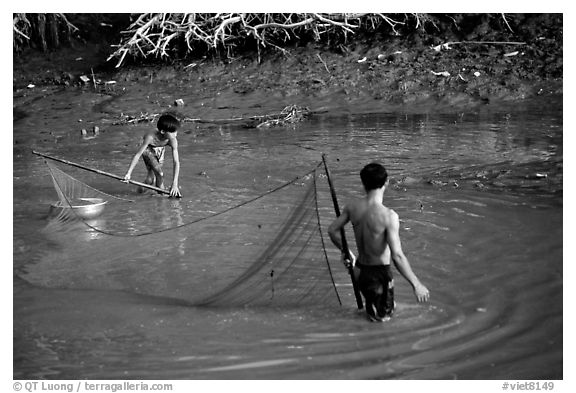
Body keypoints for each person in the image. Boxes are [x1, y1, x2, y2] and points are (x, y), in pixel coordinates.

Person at [328, 162, 429, 322]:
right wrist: (416, 284)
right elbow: (397, 256)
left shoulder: (352, 207)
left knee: (377, 310)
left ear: (363, 183)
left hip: (360, 271)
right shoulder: (389, 216)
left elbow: (332, 230)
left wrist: (347, 253)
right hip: (378, 275)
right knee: (381, 323)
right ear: (386, 182)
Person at [123, 113, 182, 198]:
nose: (175, 134)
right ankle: (162, 197)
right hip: (147, 148)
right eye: (172, 132)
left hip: (160, 149)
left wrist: (175, 184)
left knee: (151, 180)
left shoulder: (173, 140)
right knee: (160, 174)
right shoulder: (150, 137)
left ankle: (137, 194)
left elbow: (176, 162)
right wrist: (128, 174)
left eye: (176, 131)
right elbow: (138, 155)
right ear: (162, 131)